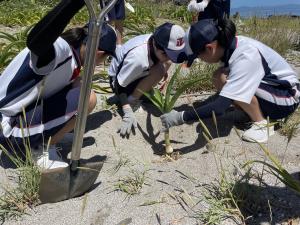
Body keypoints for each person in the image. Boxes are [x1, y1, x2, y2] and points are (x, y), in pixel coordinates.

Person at [0, 0, 117, 169]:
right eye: (105, 58)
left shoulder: (72, 56)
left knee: (79, 85)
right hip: (7, 128)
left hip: (15, 116)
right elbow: (36, 42)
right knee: (87, 98)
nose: (101, 63)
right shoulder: (61, 51)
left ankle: (50, 135)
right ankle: (39, 149)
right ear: (98, 51)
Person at [160, 19, 300, 143]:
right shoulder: (229, 44)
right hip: (273, 88)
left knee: (233, 84)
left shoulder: (246, 56)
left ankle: (261, 124)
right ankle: (248, 112)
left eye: (199, 56)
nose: (200, 60)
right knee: (219, 76)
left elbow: (219, 108)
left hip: (287, 98)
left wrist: (181, 117)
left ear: (210, 48)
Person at [108, 22, 187, 138]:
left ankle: (140, 91)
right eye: (168, 54)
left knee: (164, 65)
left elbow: (164, 59)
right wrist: (127, 110)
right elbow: (119, 85)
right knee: (160, 69)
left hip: (133, 71)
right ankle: (132, 100)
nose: (170, 58)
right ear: (159, 48)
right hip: (117, 81)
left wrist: (162, 66)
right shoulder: (139, 59)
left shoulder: (156, 42)